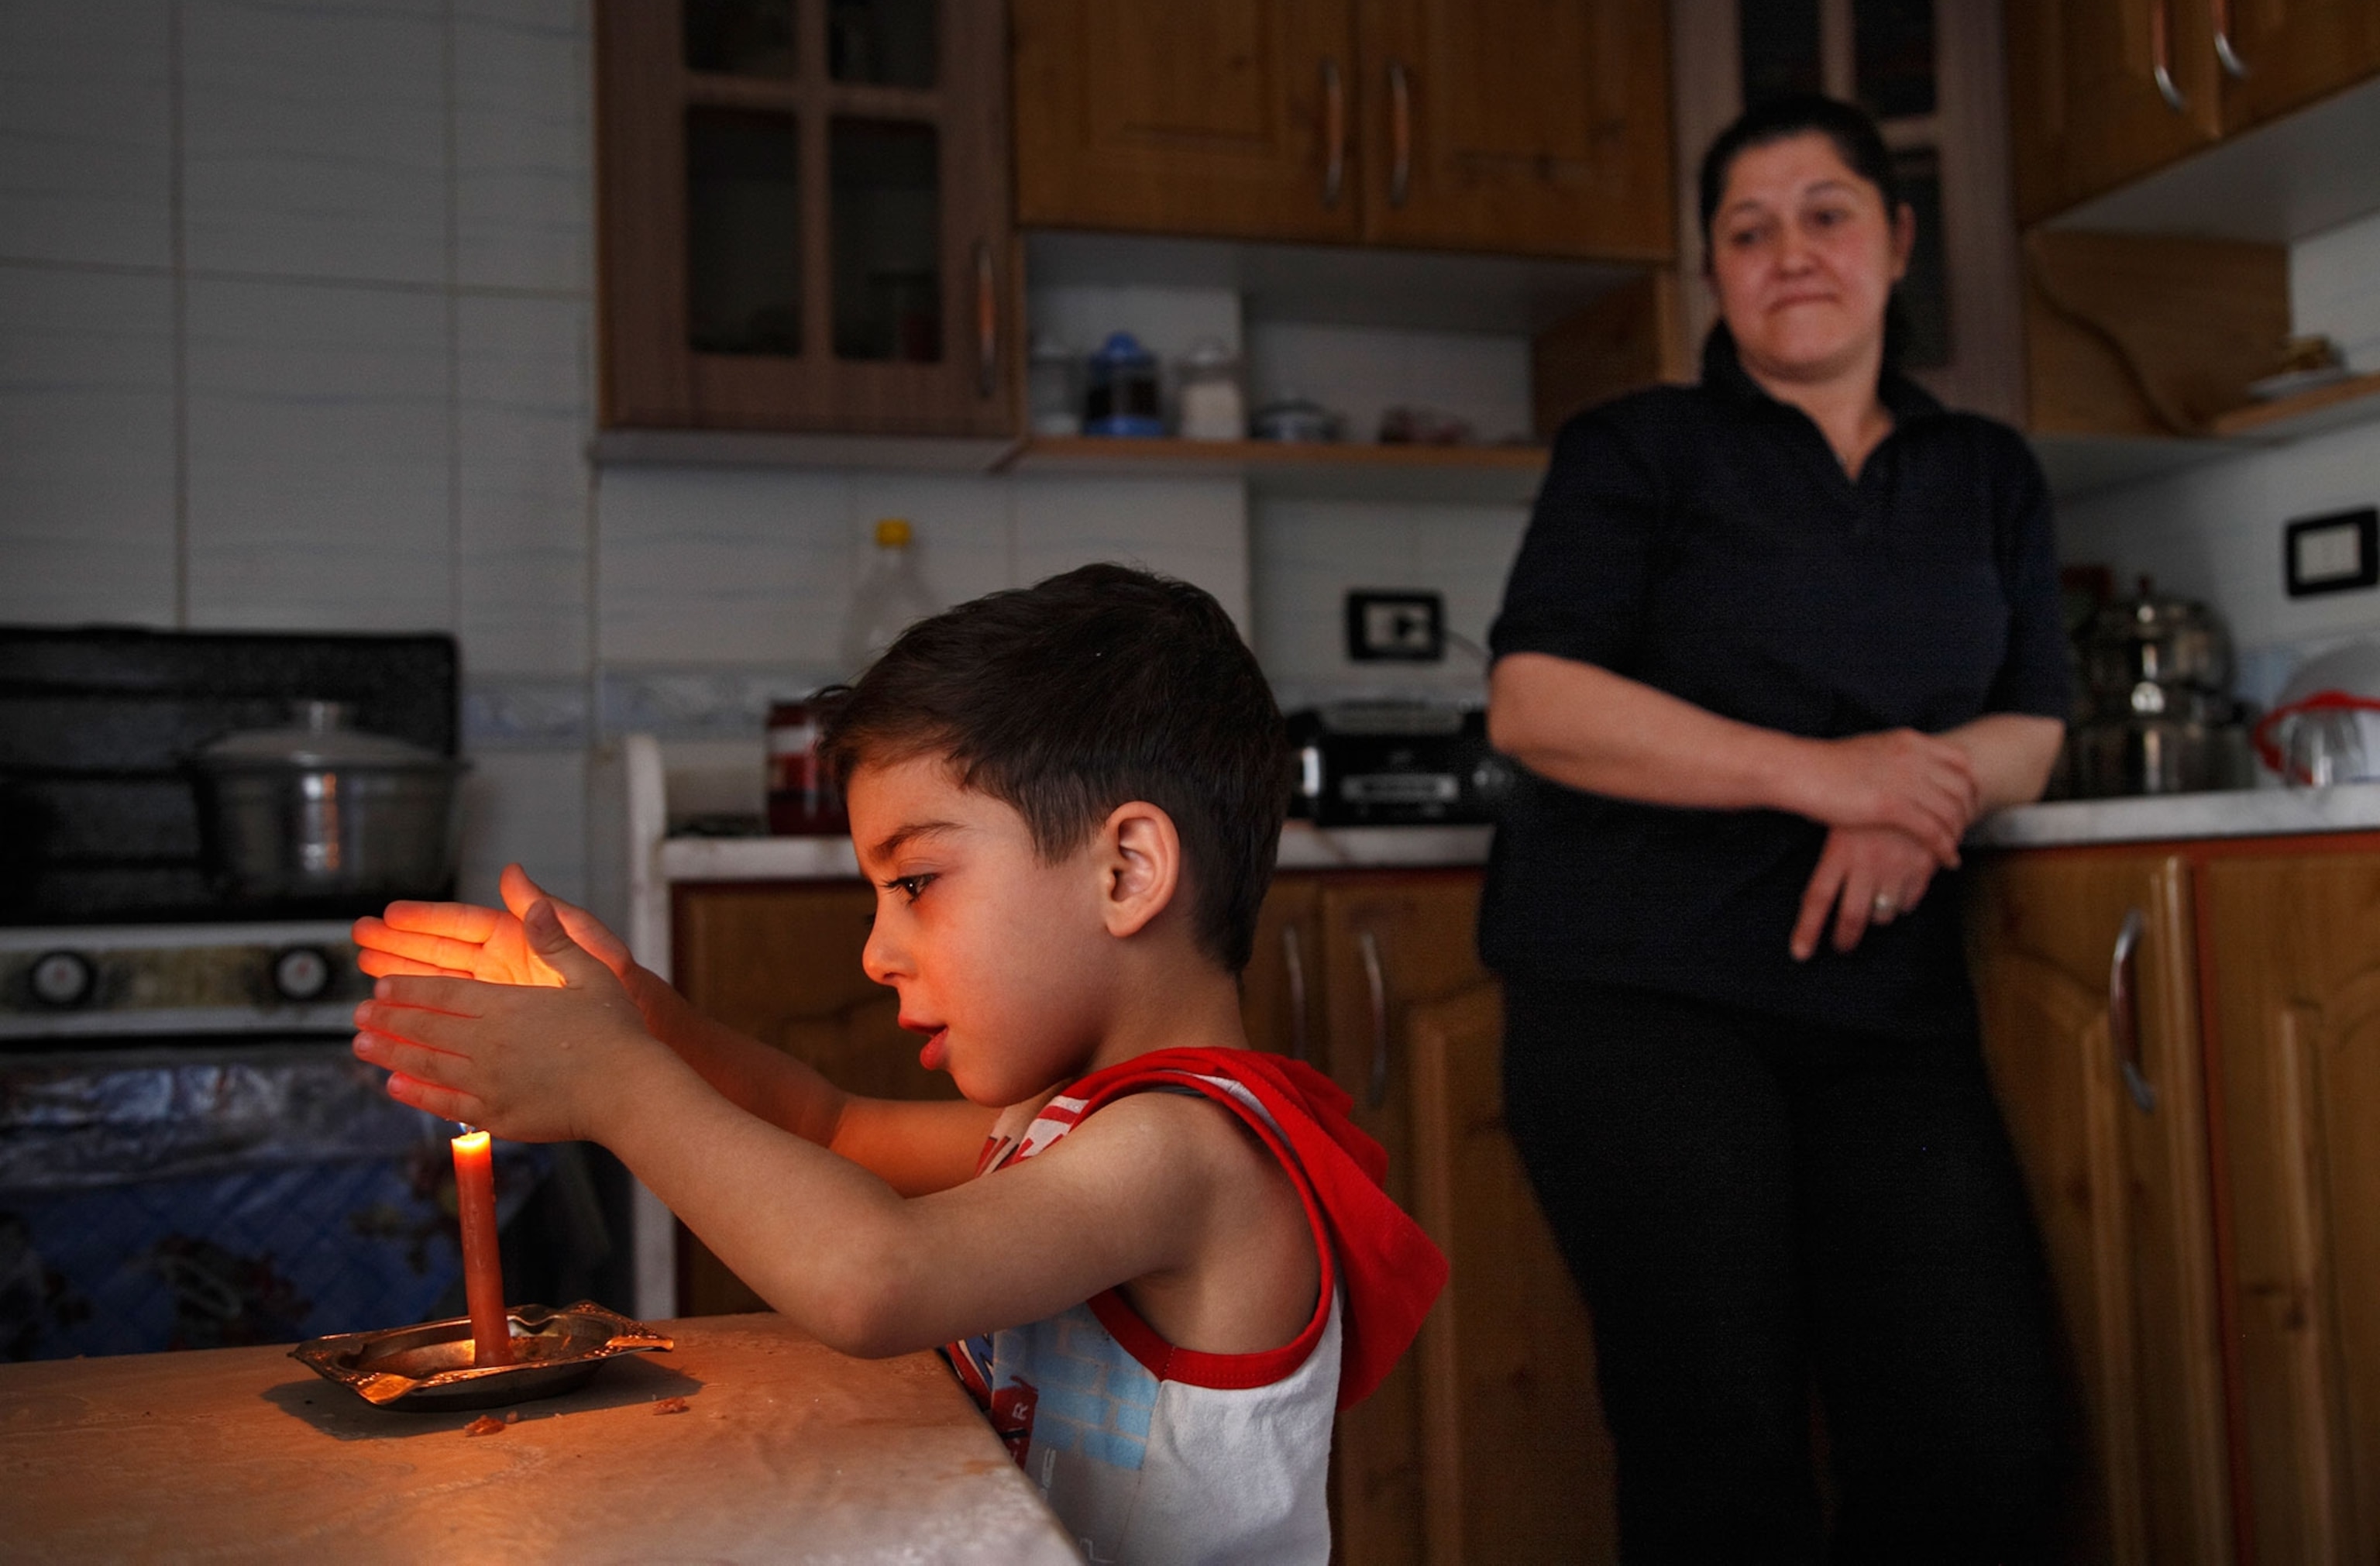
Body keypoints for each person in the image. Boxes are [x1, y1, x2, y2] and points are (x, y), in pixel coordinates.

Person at [348, 564, 1446, 1565]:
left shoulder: (1188, 1149)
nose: (877, 953)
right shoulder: (1071, 1122)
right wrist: (638, 1012)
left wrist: (614, 1083)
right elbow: (826, 1125)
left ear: (1126, 870)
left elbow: (875, 1279)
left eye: (914, 882)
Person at [1481, 94, 2072, 1563]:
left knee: (1977, 1435)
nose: (1789, 252)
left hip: (1887, 1011)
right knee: (1719, 1445)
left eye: (1826, 214)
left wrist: (1915, 785)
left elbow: (2036, 729)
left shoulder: (1989, 471)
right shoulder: (1640, 448)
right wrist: (1826, 777)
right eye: (1748, 230)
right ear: (1712, 274)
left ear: (1898, 240)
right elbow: (1536, 701)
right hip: (1641, 995)